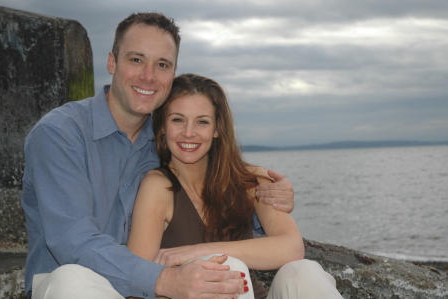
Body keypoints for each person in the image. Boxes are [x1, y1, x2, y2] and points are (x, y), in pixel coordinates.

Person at [21, 12, 296, 299]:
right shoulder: (60, 134)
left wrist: (267, 193)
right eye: (136, 59)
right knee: (72, 279)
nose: (148, 76)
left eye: (161, 64)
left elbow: (211, 190)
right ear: (112, 62)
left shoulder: (165, 142)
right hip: (78, 287)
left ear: (172, 74)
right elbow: (72, 241)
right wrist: (165, 280)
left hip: (143, 288)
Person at [127, 74, 343, 299]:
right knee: (223, 269)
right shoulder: (158, 187)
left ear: (217, 129)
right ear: (162, 126)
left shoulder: (249, 179)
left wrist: (199, 252)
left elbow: (291, 248)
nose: (189, 132)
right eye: (178, 120)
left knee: (303, 272)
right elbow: (134, 283)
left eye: (202, 121)